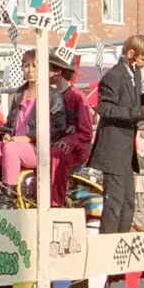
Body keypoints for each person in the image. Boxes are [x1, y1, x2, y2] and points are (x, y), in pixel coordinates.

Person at [90, 34, 144, 234]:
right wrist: (139, 112)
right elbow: (104, 109)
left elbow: (135, 105)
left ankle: (122, 243)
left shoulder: (135, 75)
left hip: (126, 150)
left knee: (128, 203)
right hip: (113, 148)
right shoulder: (113, 76)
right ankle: (108, 250)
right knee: (114, 205)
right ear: (131, 54)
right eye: (143, 58)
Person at [0, 50, 70, 193]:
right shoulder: (19, 93)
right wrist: (4, 134)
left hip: (39, 149)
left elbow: (57, 127)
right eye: (26, 66)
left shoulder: (52, 95)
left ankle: (7, 197)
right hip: (13, 142)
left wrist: (27, 137)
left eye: (35, 66)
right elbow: (9, 123)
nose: (30, 70)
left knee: (11, 149)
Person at [49, 53, 95, 207]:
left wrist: (68, 140)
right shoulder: (47, 95)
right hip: (51, 141)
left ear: (58, 71)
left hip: (74, 148)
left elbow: (86, 132)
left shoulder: (77, 96)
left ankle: (56, 202)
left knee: (57, 154)